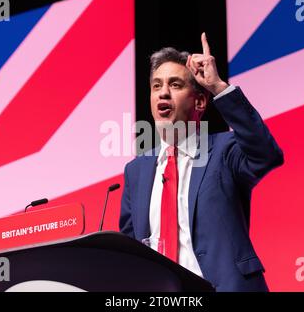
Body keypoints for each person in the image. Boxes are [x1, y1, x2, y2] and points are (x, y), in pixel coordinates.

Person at [119, 33, 284, 291]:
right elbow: (129, 254)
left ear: (199, 101)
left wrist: (218, 86)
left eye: (175, 85)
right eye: (156, 86)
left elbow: (266, 154)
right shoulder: (136, 171)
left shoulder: (224, 150)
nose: (163, 93)